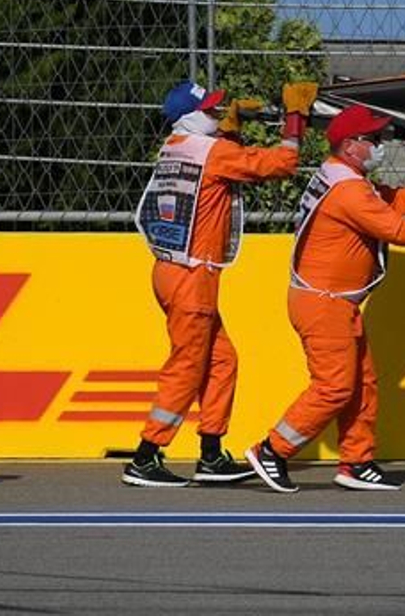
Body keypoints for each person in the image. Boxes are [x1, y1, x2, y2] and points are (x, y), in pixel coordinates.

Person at [246, 104, 405, 494]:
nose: (383, 144)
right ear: (351, 145)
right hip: (323, 304)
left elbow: (396, 200)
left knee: (362, 383)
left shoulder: (346, 176)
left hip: (335, 302)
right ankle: (272, 450)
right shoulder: (347, 189)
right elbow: (396, 228)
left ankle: (356, 461)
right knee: (333, 387)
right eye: (375, 139)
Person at [122, 78, 318, 488]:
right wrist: (295, 119)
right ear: (192, 118)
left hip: (174, 271)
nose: (216, 112)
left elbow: (220, 159)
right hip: (192, 276)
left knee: (221, 360)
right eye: (209, 109)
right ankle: (146, 455)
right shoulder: (211, 152)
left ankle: (210, 454)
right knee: (188, 366)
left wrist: (229, 127)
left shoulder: (178, 146)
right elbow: (281, 164)